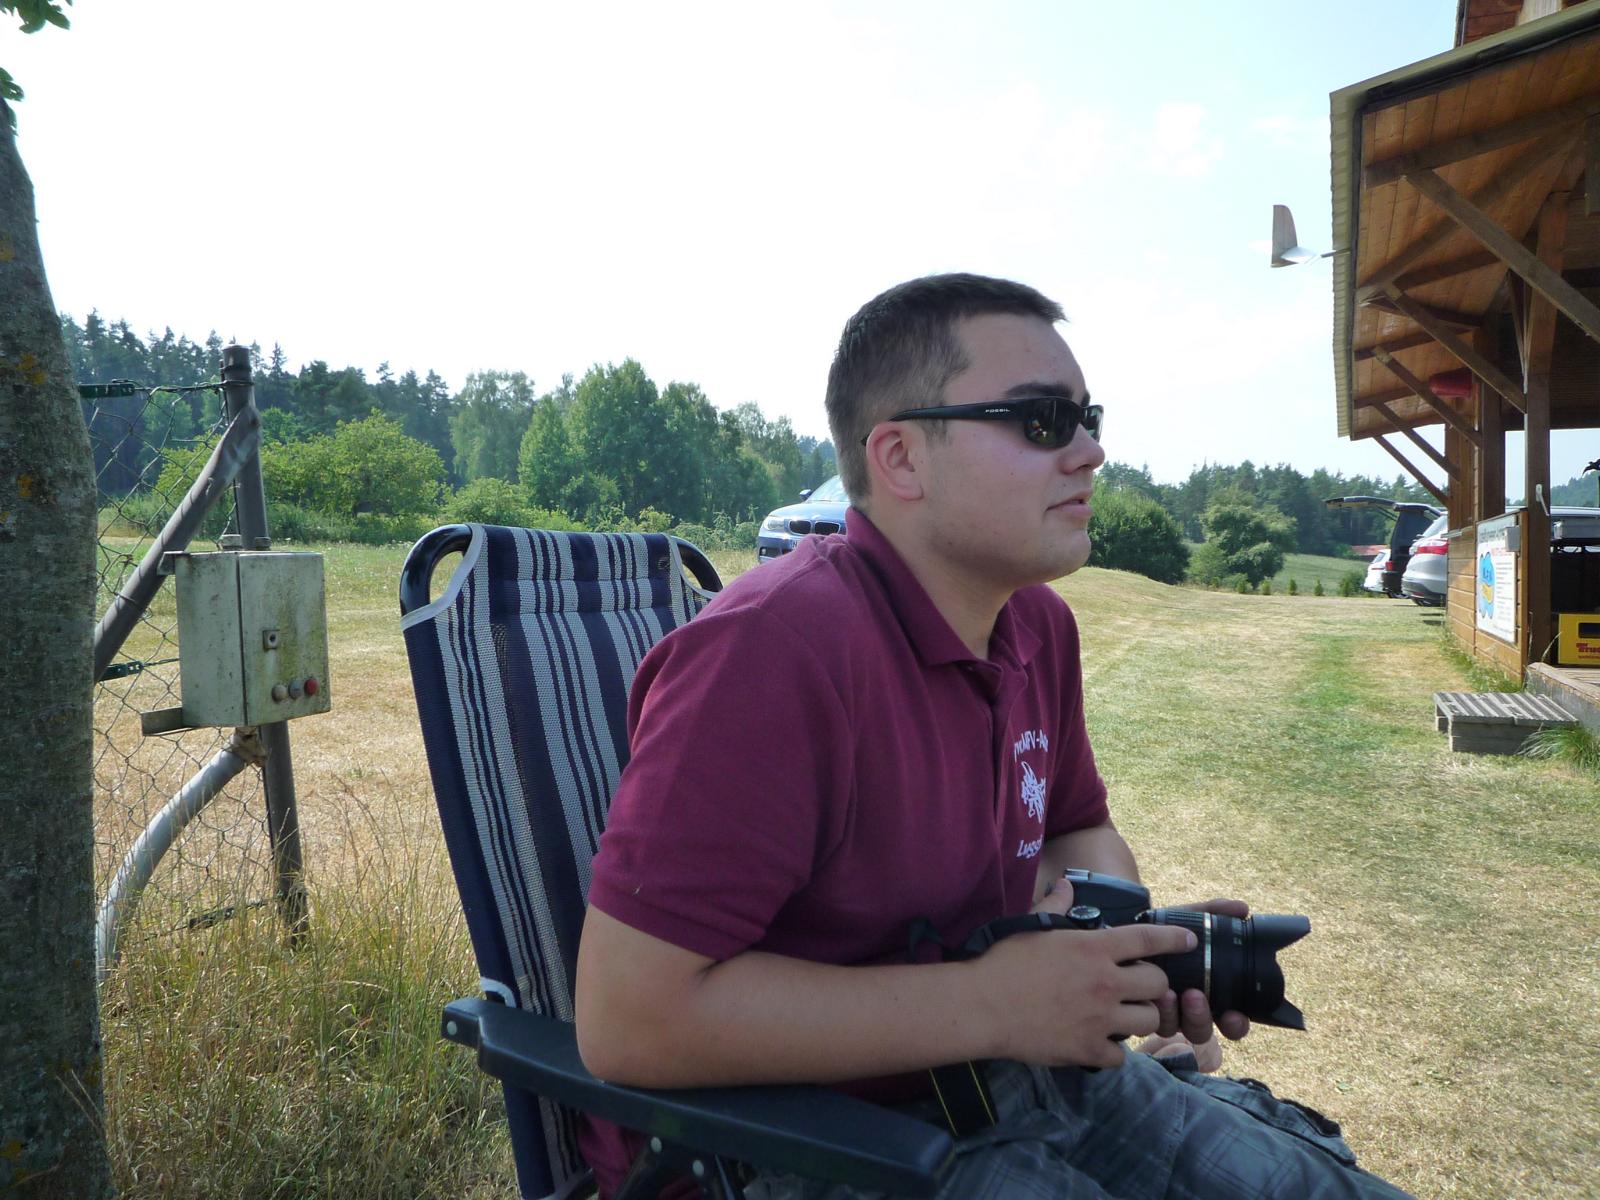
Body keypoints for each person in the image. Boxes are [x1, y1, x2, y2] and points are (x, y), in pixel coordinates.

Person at [574, 273, 1410, 1199]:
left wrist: (1115, 951)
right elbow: (629, 1022)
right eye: (1043, 421)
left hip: (1016, 1072)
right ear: (901, 458)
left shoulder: (1035, 625)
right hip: (796, 1144)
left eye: (1088, 418)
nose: (1090, 452)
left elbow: (1078, 830)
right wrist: (997, 1003)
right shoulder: (772, 654)